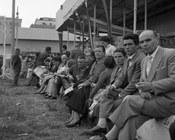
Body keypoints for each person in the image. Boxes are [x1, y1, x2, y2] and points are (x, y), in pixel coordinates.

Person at [97, 30, 175, 140]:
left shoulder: (170, 54)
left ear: (157, 39)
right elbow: (140, 83)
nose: (144, 44)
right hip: (150, 101)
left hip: (168, 102)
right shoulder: (144, 61)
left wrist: (151, 86)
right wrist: (143, 92)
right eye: (142, 42)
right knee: (131, 120)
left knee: (128, 100)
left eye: (148, 40)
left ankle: (109, 136)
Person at [82, 34, 145, 136]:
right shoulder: (128, 59)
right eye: (125, 45)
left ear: (137, 45)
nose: (127, 47)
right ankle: (102, 127)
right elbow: (120, 78)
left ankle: (107, 132)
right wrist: (113, 86)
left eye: (130, 44)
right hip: (126, 90)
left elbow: (134, 82)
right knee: (107, 94)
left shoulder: (139, 59)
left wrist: (120, 94)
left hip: (136, 92)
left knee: (110, 103)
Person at [65, 45, 106, 127]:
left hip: (97, 85)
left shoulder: (103, 63)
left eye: (99, 51)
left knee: (79, 92)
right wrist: (83, 82)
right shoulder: (95, 62)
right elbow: (89, 75)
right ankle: (74, 116)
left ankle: (76, 118)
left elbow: (96, 77)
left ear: (104, 53)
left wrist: (84, 83)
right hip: (89, 83)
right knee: (74, 91)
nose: (97, 53)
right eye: (96, 51)